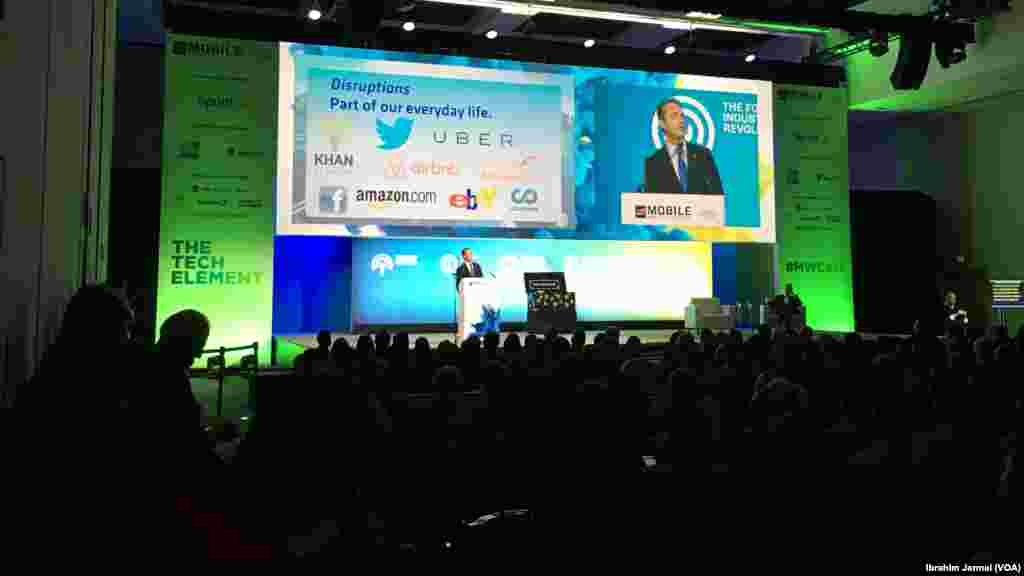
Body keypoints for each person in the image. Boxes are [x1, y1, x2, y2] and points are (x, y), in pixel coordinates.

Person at [644, 98, 724, 196]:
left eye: (682, 116)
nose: (681, 120)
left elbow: (718, 197)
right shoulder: (653, 163)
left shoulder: (703, 155)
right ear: (662, 124)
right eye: (674, 116)